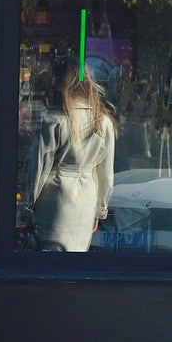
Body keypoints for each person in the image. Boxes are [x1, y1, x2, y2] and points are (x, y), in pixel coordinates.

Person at [24, 64, 116, 251]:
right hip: (87, 197)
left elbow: (39, 168)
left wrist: (28, 206)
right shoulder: (104, 122)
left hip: (55, 198)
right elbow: (105, 173)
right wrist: (100, 211)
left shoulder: (55, 120)